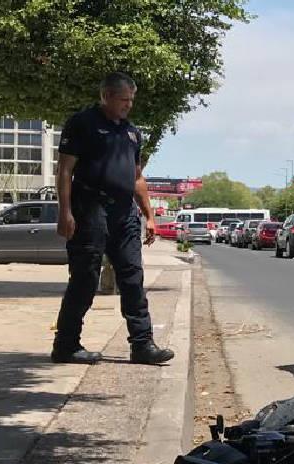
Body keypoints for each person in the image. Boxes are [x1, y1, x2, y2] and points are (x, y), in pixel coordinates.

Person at [52, 72, 174, 365]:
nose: (128, 105)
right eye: (123, 100)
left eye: (131, 100)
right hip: (89, 208)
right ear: (106, 96)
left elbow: (137, 177)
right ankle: (66, 346)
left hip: (123, 214)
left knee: (133, 278)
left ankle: (142, 345)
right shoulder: (82, 123)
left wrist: (149, 216)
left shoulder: (132, 132)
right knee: (85, 278)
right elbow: (65, 170)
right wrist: (64, 211)